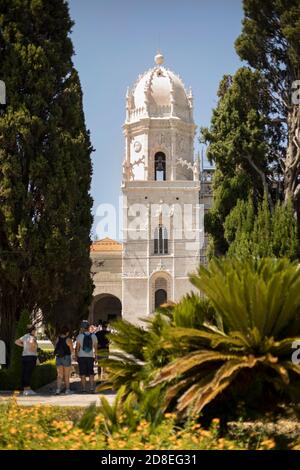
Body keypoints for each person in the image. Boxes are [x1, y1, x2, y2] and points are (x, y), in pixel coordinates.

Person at [15, 324, 38, 396]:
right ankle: (27, 390)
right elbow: (31, 342)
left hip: (24, 356)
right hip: (31, 357)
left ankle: (26, 389)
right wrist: (33, 348)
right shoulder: (32, 337)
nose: (35, 332)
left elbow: (16, 342)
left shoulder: (25, 336)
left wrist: (24, 346)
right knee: (28, 373)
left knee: (25, 373)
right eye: (35, 330)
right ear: (33, 330)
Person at [75, 320, 98, 393]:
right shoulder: (94, 336)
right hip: (90, 357)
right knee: (91, 373)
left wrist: (76, 356)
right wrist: (96, 357)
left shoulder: (79, 336)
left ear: (82, 328)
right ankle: (91, 388)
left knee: (82, 373)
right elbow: (95, 348)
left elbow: (77, 348)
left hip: (81, 357)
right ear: (88, 327)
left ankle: (84, 389)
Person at [54, 326, 74, 395]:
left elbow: (56, 347)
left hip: (58, 358)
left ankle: (58, 389)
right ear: (67, 332)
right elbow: (72, 350)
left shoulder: (57, 338)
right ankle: (67, 390)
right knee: (66, 375)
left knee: (59, 375)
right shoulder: (68, 339)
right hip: (66, 357)